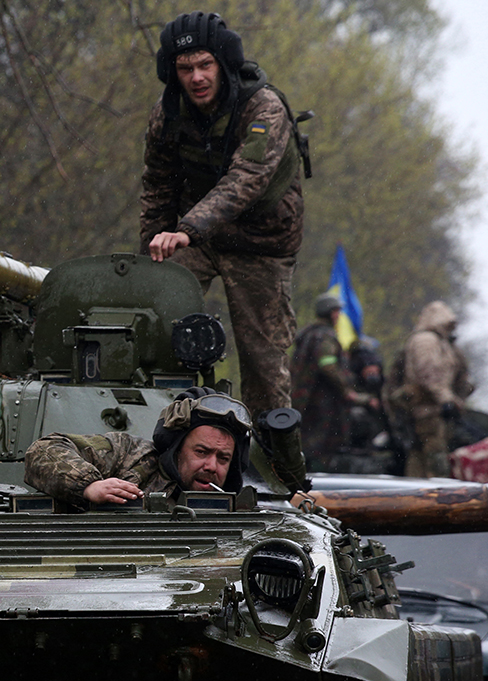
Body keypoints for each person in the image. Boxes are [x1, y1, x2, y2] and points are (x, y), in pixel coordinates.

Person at [140, 11, 305, 418]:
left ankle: (277, 467)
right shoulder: (167, 115)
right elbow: (158, 185)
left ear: (223, 63)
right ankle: (155, 435)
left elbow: (246, 178)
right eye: (185, 68)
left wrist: (187, 229)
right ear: (172, 71)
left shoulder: (264, 108)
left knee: (262, 360)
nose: (196, 77)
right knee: (149, 330)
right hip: (194, 237)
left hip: (260, 243)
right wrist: (149, 255)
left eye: (204, 65)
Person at [23, 388, 251, 509]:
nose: (211, 466)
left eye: (223, 458)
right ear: (176, 448)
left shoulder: (236, 509)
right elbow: (44, 450)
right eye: (201, 452)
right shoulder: (128, 456)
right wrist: (89, 485)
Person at [290, 293, 376, 470]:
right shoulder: (324, 336)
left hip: (308, 400)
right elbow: (327, 365)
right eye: (336, 311)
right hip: (322, 403)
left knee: (308, 443)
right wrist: (346, 389)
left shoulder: (310, 334)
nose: (338, 315)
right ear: (328, 312)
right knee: (319, 448)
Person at [394, 301, 474, 478]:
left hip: (428, 408)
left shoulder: (436, 340)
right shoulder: (426, 340)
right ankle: (435, 496)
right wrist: (446, 399)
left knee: (420, 455)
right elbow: (428, 373)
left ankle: (414, 496)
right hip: (426, 408)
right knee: (434, 455)